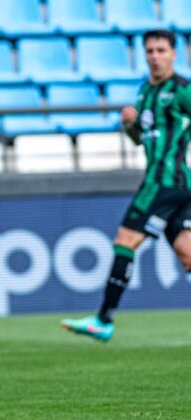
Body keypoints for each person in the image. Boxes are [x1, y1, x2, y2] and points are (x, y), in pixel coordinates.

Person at [62, 29, 191, 342]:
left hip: (164, 180)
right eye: (150, 51)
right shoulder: (145, 91)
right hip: (179, 184)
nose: (155, 56)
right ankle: (103, 320)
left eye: (161, 50)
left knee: (124, 240)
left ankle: (104, 320)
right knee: (187, 253)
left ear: (174, 54)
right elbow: (139, 140)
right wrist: (130, 126)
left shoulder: (182, 90)